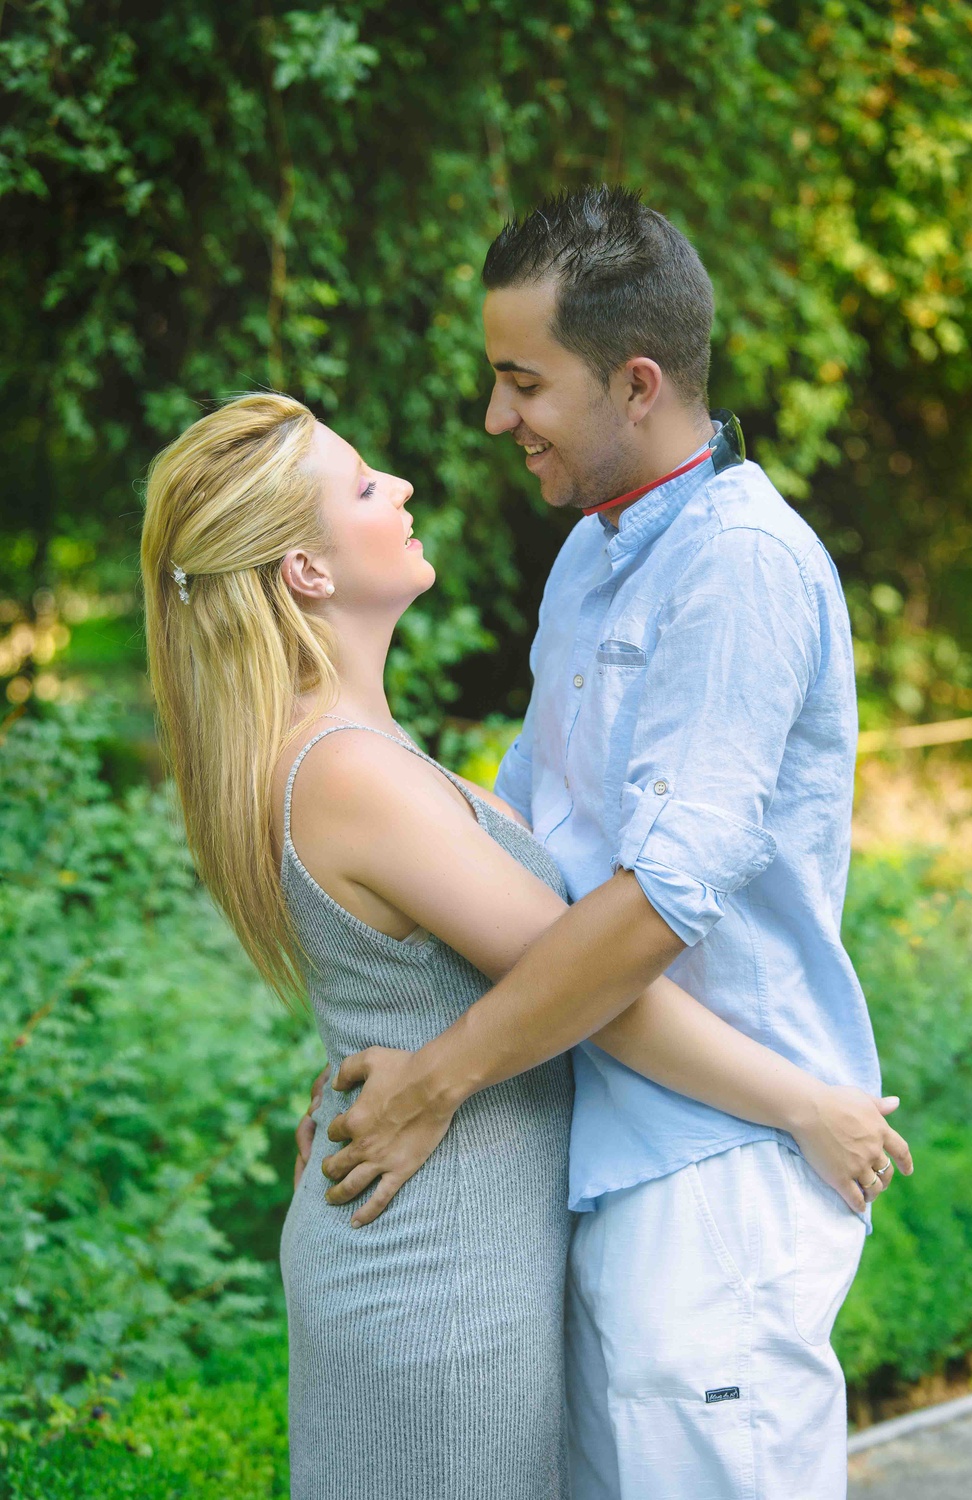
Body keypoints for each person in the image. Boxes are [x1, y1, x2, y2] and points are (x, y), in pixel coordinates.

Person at [142, 387, 904, 1500]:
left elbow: (496, 975)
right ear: (305, 573)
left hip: (466, 1250)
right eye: (361, 485)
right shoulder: (349, 772)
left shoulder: (360, 752)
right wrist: (802, 1100)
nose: (398, 487)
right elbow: (586, 979)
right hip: (434, 1277)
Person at [296, 186, 913, 1500]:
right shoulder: (591, 558)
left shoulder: (740, 566)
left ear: (636, 383)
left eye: (524, 383)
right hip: (599, 1149)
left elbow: (657, 905)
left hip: (719, 1173)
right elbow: (523, 852)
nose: (493, 418)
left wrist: (436, 1083)